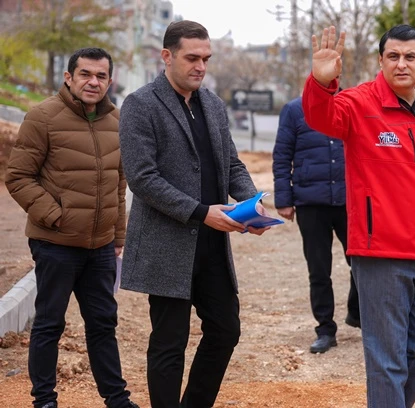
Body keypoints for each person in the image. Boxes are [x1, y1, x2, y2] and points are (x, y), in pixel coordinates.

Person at [302, 25, 415, 408]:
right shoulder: (359, 103)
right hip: (381, 253)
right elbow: (321, 117)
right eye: (393, 56)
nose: (401, 64)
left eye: (410, 56)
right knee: (386, 358)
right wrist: (321, 83)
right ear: (381, 60)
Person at [118, 20, 267, 408]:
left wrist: (252, 203)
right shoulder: (140, 104)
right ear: (166, 56)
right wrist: (201, 212)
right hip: (167, 245)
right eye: (192, 58)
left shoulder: (213, 104)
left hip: (212, 246)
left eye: (206, 59)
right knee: (170, 343)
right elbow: (142, 178)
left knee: (225, 331)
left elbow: (231, 163)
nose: (200, 66)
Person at [5, 48, 138, 408]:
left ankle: (117, 399)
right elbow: (18, 177)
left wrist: (118, 236)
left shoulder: (116, 121)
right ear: (69, 77)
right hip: (56, 243)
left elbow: (119, 183)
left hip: (101, 247)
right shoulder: (43, 117)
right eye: (85, 74)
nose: (93, 82)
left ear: (110, 81)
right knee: (50, 324)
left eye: (101, 76)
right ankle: (44, 400)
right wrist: (55, 215)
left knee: (103, 324)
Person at [272, 94, 360, 354]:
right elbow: (282, 156)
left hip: (349, 201)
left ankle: (358, 313)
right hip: (311, 204)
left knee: (362, 263)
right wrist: (284, 199)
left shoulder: (352, 104)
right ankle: (325, 329)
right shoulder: (294, 110)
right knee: (319, 271)